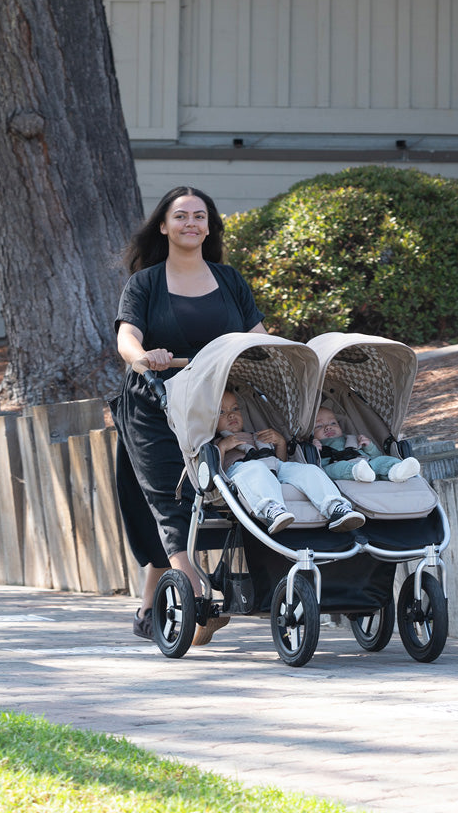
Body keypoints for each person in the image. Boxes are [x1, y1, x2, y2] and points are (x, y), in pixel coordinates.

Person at [111, 186, 266, 647]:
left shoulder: (229, 280)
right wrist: (144, 358)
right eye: (181, 216)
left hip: (215, 405)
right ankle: (195, 601)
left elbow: (258, 336)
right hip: (153, 403)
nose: (191, 223)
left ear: (209, 227)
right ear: (164, 225)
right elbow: (126, 339)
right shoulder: (144, 284)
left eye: (200, 216)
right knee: (168, 497)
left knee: (212, 495)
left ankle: (148, 610)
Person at [217, 391, 365, 535]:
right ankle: (271, 509)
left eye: (235, 409)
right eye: (221, 412)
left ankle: (335, 506)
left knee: (309, 470)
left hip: (274, 465)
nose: (231, 415)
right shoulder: (216, 442)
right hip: (242, 470)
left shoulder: (256, 435)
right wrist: (222, 447)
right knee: (256, 468)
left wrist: (281, 442)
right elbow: (216, 471)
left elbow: (280, 463)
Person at [311, 406, 422, 483]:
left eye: (333, 423)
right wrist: (314, 449)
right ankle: (357, 472)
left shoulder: (352, 439)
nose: (328, 427)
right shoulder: (316, 445)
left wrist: (369, 446)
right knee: (335, 469)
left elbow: (376, 456)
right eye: (319, 426)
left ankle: (398, 470)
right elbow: (315, 466)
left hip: (366, 465)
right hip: (337, 467)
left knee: (381, 461)